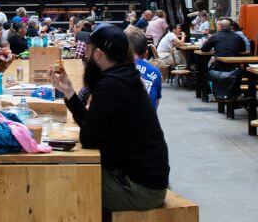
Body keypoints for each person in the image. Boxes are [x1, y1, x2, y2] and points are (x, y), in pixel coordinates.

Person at [50, 25, 169, 211]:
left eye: (88, 50)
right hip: (143, 180)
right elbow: (92, 128)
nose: (85, 56)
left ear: (98, 53)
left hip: (140, 189)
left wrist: (73, 100)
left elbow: (88, 138)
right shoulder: (123, 76)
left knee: (62, 187)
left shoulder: (112, 84)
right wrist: (69, 92)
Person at [198, 18, 247, 99]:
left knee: (205, 70)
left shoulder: (215, 36)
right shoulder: (237, 37)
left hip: (219, 66)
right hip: (234, 67)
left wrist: (215, 51)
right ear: (231, 27)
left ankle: (209, 94)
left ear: (220, 27)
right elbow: (243, 49)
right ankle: (234, 94)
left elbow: (204, 49)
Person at [128, 30, 162, 109]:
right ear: (146, 53)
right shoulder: (156, 72)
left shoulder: (116, 70)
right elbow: (155, 107)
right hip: (148, 120)